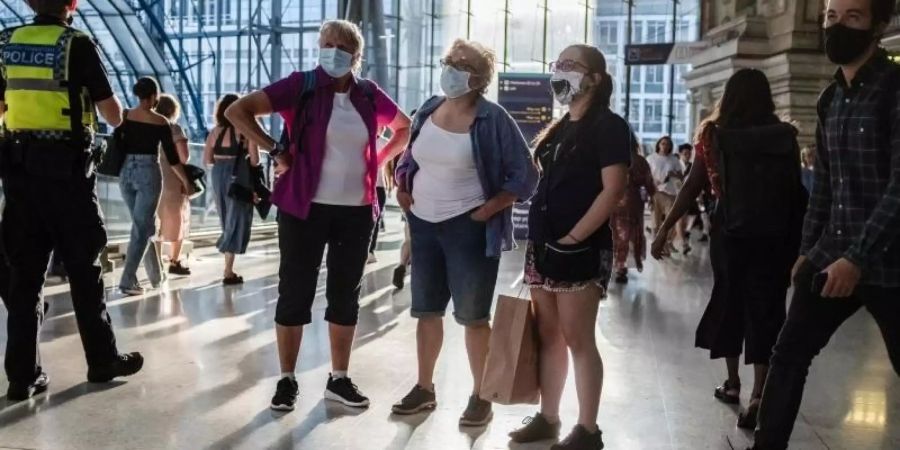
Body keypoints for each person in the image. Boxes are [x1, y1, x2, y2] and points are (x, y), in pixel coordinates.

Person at [225, 19, 411, 412]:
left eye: (342, 46)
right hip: (303, 209)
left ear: (356, 56)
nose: (333, 51)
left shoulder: (368, 94)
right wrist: (276, 149)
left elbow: (403, 128)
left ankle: (338, 379)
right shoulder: (302, 84)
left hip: (357, 211)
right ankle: (287, 379)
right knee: (295, 292)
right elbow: (239, 112)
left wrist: (377, 159)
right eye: (327, 43)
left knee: (346, 295)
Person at [752, 1, 900, 448]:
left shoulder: (895, 90)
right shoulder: (829, 98)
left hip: (889, 263)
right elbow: (826, 186)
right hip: (831, 254)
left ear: (878, 25)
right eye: (831, 17)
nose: (837, 26)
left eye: (852, 17)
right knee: (789, 353)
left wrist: (857, 257)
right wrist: (807, 247)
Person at [390, 39, 539, 427]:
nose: (453, 68)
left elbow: (526, 175)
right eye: (450, 61)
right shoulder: (429, 107)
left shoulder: (493, 119)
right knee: (426, 311)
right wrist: (403, 188)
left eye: (463, 63)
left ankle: (481, 394)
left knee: (473, 317)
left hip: (467, 229)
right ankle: (425, 388)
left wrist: (487, 210)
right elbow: (409, 156)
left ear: (480, 78)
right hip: (423, 224)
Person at [0, 0, 144, 401]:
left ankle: (21, 377)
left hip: (19, 173)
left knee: (24, 277)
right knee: (84, 270)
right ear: (72, 4)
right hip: (66, 175)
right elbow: (112, 113)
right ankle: (102, 360)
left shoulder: (5, 42)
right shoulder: (75, 44)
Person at [651, 69, 805, 431]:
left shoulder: (714, 135)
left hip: (730, 234)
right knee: (767, 309)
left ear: (729, 96)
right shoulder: (786, 136)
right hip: (775, 237)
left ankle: (733, 384)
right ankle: (759, 396)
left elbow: (691, 187)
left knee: (730, 301)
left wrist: (663, 231)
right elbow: (796, 192)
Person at [507, 44, 628, 450]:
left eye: (569, 65)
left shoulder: (609, 127)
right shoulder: (561, 127)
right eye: (556, 65)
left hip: (580, 249)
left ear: (594, 78)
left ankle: (588, 429)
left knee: (579, 338)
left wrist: (574, 238)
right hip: (544, 246)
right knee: (549, 334)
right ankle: (549, 416)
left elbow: (612, 191)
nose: (559, 72)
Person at [117, 77, 193, 296]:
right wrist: (186, 180)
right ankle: (127, 280)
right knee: (142, 228)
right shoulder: (161, 122)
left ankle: (156, 276)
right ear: (153, 97)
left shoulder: (125, 116)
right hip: (147, 172)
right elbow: (172, 157)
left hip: (125, 173)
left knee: (144, 226)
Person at [203, 94, 259, 285]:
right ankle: (228, 269)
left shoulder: (215, 132)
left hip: (218, 174)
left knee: (225, 217)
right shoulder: (244, 131)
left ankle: (228, 264)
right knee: (237, 219)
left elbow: (207, 160)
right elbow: (255, 160)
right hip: (239, 176)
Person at [155, 94, 192, 276]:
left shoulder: (150, 127)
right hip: (173, 179)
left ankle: (156, 263)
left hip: (153, 177)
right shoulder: (175, 129)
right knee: (177, 220)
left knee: (157, 222)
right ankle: (175, 261)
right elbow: (184, 157)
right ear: (173, 111)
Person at [612, 135, 655, 284]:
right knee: (628, 233)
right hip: (632, 201)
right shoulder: (639, 160)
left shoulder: (609, 157)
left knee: (613, 232)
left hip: (610, 199)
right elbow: (648, 181)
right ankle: (621, 267)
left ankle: (614, 265)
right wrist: (652, 196)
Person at [646, 135, 687, 254]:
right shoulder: (650, 158)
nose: (665, 146)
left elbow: (681, 176)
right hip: (655, 192)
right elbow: (646, 176)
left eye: (668, 144)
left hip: (670, 192)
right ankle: (656, 243)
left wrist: (673, 174)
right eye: (663, 143)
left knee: (671, 219)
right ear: (659, 144)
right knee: (655, 219)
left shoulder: (674, 160)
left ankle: (666, 242)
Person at [678, 143, 701, 247]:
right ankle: (683, 241)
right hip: (677, 194)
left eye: (689, 154)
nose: (687, 156)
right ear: (680, 154)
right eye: (685, 154)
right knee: (680, 219)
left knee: (693, 214)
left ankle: (685, 233)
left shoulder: (692, 166)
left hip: (689, 194)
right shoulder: (676, 165)